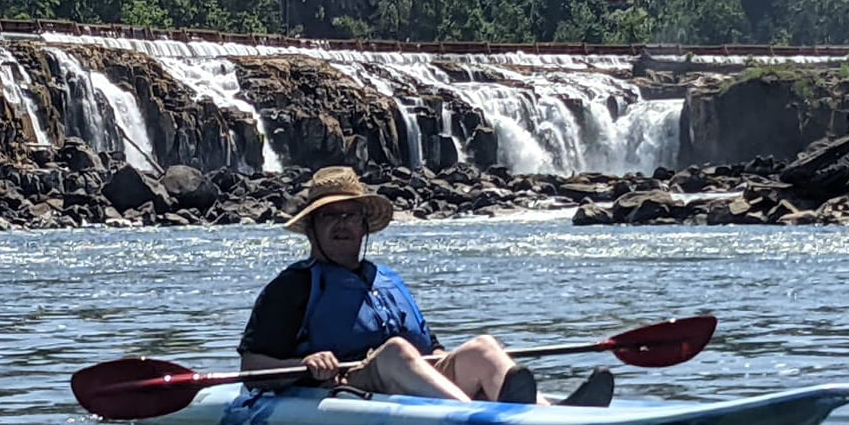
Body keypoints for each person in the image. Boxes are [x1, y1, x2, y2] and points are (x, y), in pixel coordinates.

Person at [238, 166, 614, 405]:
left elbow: (432, 350)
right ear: (313, 229)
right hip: (343, 387)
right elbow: (251, 364)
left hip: (410, 387)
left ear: (364, 225)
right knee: (395, 351)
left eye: (350, 215)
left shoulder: (386, 280)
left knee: (483, 347)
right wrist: (303, 363)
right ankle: (475, 417)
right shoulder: (291, 287)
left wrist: (453, 363)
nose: (342, 225)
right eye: (329, 217)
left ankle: (547, 413)